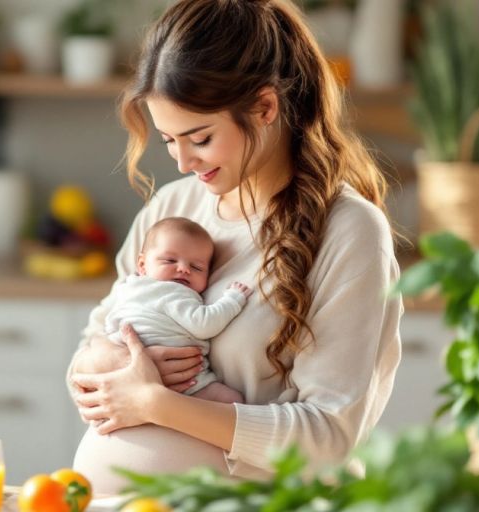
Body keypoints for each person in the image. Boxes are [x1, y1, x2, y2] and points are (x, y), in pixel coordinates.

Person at [66, 0, 402, 494]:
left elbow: (329, 437)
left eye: (199, 138)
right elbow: (90, 346)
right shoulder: (172, 210)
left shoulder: (349, 231)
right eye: (167, 141)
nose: (182, 162)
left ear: (265, 107)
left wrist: (154, 402)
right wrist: (114, 367)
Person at [104, 216, 251, 404]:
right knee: (231, 400)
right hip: (186, 383)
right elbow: (204, 324)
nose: (183, 269)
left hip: (127, 378)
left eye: (196, 267)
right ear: (142, 265)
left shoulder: (126, 288)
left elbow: (109, 326)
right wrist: (233, 299)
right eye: (170, 260)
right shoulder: (174, 292)